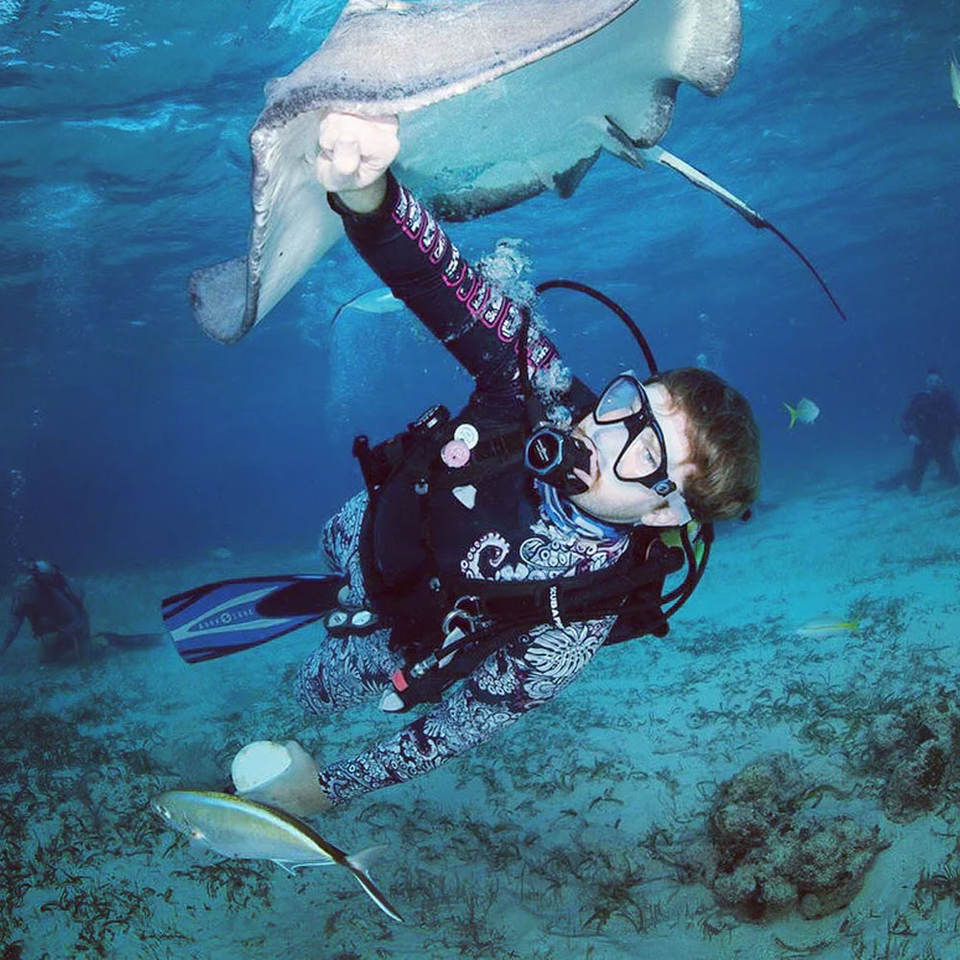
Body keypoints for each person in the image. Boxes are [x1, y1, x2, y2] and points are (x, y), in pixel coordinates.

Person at [167, 113, 761, 815]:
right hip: (364, 526)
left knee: (311, 695)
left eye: (648, 449)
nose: (605, 431)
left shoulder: (577, 615)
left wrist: (325, 789)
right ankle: (331, 589)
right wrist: (369, 197)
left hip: (396, 630)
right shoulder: (539, 388)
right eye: (631, 401)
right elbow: (444, 283)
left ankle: (333, 624)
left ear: (664, 510)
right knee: (329, 548)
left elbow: (457, 727)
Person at [876, 369, 960, 494]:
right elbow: (904, 420)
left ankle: (944, 472)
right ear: (926, 382)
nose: (934, 383)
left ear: (942, 382)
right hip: (924, 445)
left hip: (943, 446)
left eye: (937, 380)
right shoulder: (920, 399)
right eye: (930, 380)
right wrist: (910, 435)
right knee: (914, 487)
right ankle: (903, 477)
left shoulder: (948, 400)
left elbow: (956, 420)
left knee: (955, 481)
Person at [2, 559, 91, 662]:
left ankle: (96, 644)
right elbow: (14, 625)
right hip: (55, 629)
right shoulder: (25, 594)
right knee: (51, 658)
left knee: (83, 652)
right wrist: (3, 647)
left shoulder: (54, 587)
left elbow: (76, 609)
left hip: (70, 626)